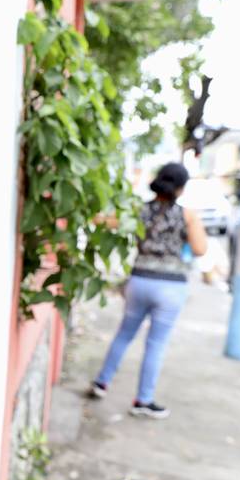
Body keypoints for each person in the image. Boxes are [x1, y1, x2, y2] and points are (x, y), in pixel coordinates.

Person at [90, 163, 207, 419]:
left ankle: (101, 382)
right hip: (171, 286)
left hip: (139, 281)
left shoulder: (139, 210)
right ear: (181, 187)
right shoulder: (187, 216)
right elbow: (200, 249)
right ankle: (143, 400)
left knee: (124, 334)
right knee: (156, 344)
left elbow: (103, 220)